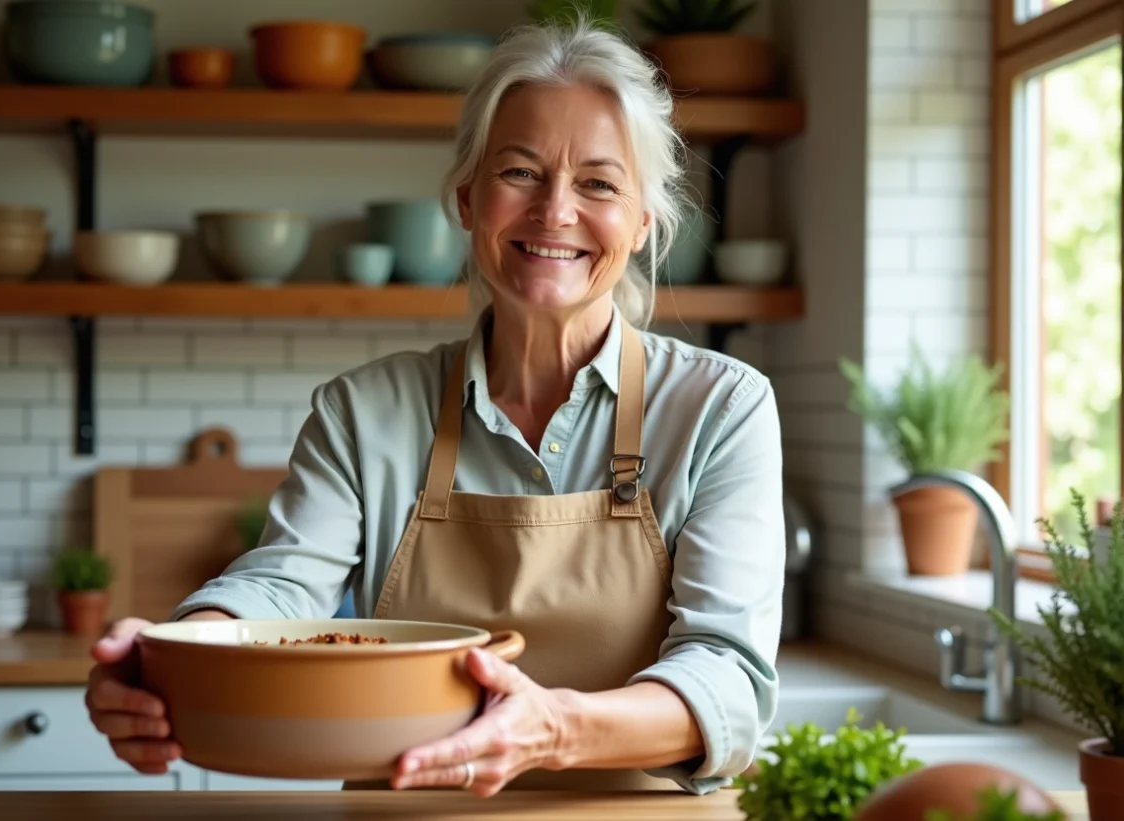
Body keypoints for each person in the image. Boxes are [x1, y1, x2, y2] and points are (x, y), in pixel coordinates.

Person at [83, 17, 786, 798]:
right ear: (467, 198)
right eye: (520, 172)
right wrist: (174, 651)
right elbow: (284, 587)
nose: (555, 211)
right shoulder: (364, 410)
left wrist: (551, 728)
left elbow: (728, 675)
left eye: (598, 182)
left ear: (642, 222)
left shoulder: (722, 407)